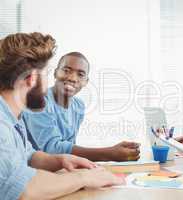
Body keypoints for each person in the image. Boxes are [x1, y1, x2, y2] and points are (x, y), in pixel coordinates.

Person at [0, 32, 124, 200]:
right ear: (32, 79)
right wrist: (84, 178)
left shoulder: (14, 117)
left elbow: (29, 156)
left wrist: (61, 160)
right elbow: (25, 189)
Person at [22, 52, 140, 162]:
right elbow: (52, 149)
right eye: (66, 70)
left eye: (80, 74)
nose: (72, 78)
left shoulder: (78, 106)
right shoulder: (38, 101)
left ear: (86, 81)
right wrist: (109, 153)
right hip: (34, 171)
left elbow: (69, 148)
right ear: (55, 73)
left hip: (59, 169)